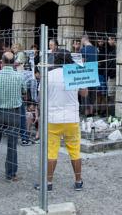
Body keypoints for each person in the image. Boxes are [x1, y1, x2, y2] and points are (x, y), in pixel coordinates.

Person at [36, 50, 87, 192]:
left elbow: (40, 98)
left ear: (55, 60)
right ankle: (78, 181)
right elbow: (84, 93)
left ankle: (48, 182)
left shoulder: (48, 75)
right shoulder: (74, 73)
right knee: (75, 151)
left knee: (51, 152)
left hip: (52, 118)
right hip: (72, 118)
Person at [0, 52, 28, 181]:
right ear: (14, 62)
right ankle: (10, 174)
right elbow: (24, 92)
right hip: (13, 112)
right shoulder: (19, 76)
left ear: (2, 62)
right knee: (12, 144)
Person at [80, 36, 99, 116]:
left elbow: (82, 63)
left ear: (84, 40)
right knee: (92, 93)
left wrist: (81, 47)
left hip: (85, 74)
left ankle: (87, 112)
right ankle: (91, 111)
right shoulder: (96, 49)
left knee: (85, 93)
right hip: (94, 73)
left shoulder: (83, 50)